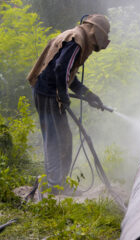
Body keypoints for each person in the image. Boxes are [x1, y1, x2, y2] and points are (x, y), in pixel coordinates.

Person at [26, 14, 110, 194]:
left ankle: (57, 183)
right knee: (56, 141)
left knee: (62, 139)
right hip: (48, 93)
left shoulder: (74, 37)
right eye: (95, 45)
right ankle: (56, 186)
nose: (93, 48)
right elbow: (60, 70)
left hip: (47, 91)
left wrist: (89, 95)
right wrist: (63, 95)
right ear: (94, 33)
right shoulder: (76, 42)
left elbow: (68, 77)